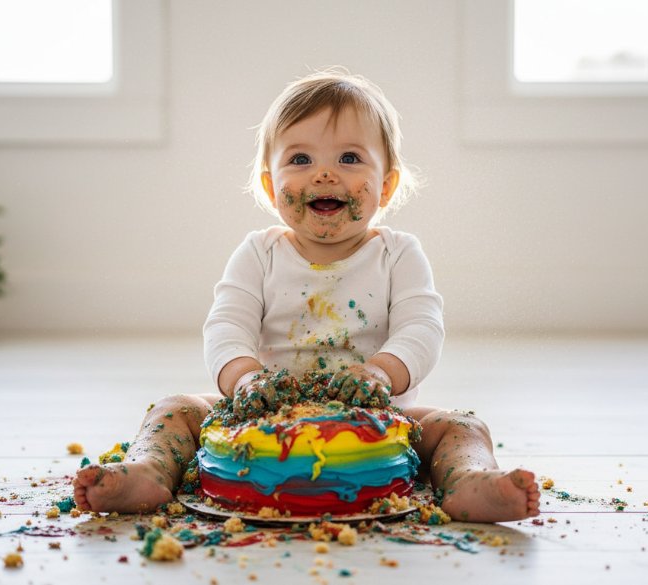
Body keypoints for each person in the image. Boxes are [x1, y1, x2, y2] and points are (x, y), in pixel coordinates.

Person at [72, 70, 540, 523]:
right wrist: (244, 380)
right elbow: (226, 326)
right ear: (271, 187)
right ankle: (148, 473)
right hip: (261, 410)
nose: (323, 175)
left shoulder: (398, 254)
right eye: (300, 160)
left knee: (462, 426)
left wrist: (381, 372)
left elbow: (422, 329)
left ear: (387, 185)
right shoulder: (260, 252)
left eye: (350, 158)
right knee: (173, 410)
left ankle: (471, 482)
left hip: (376, 416)